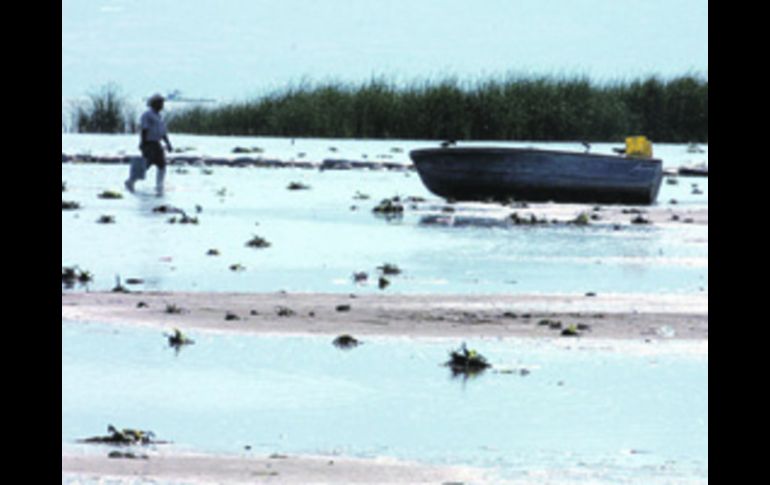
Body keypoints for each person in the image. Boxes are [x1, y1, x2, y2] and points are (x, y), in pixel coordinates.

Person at [125, 93, 173, 195]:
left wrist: (168, 143)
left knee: (162, 165)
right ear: (154, 104)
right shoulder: (147, 115)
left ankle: (159, 185)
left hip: (157, 143)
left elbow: (163, 132)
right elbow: (144, 129)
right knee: (146, 165)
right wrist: (143, 143)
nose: (162, 105)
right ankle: (130, 181)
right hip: (149, 143)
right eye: (160, 103)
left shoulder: (159, 116)